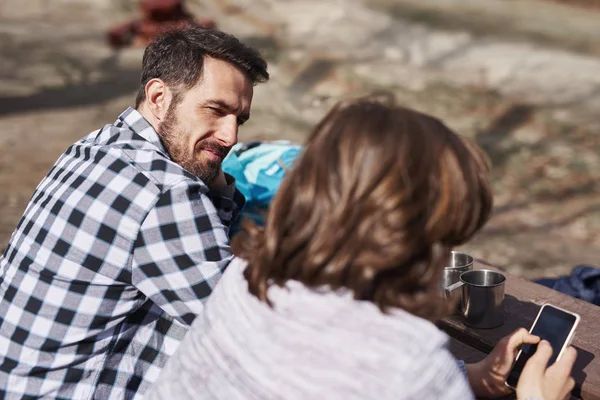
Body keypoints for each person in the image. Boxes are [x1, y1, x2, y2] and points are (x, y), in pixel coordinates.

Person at [145, 96, 577, 400]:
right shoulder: (410, 362)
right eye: (442, 237)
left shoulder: (246, 278)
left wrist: (472, 380)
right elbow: (387, 374)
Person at [0, 26, 268, 399]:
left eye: (239, 119)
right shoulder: (165, 193)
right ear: (159, 96)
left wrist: (217, 185)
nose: (231, 136)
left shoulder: (94, 146)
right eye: (216, 110)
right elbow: (250, 330)